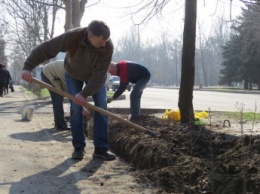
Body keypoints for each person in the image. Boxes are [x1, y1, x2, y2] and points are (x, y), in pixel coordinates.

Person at [21, 20, 116, 161]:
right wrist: (28, 66)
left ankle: (101, 149)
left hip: (96, 78)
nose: (104, 44)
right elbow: (48, 48)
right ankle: (78, 148)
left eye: (106, 41)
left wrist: (84, 94)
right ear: (90, 36)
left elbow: (99, 76)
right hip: (73, 74)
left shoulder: (107, 46)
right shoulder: (73, 37)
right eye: (101, 41)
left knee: (101, 107)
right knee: (76, 108)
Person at [41, 60, 70, 131]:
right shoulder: (71, 73)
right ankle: (60, 125)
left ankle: (59, 122)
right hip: (47, 73)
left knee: (59, 98)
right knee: (58, 99)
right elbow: (70, 92)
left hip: (57, 75)